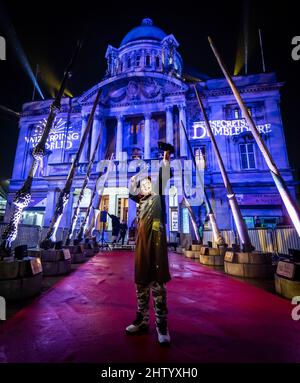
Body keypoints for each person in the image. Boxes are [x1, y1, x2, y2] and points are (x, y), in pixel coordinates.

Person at [126, 148, 172, 345]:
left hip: (157, 244)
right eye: (142, 185)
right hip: (141, 245)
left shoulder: (157, 196)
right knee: (141, 282)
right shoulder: (139, 201)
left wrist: (165, 161)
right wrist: (134, 176)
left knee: (158, 285)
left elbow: (163, 178)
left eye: (148, 184)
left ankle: (162, 325)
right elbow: (131, 191)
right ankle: (142, 320)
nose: (145, 186)